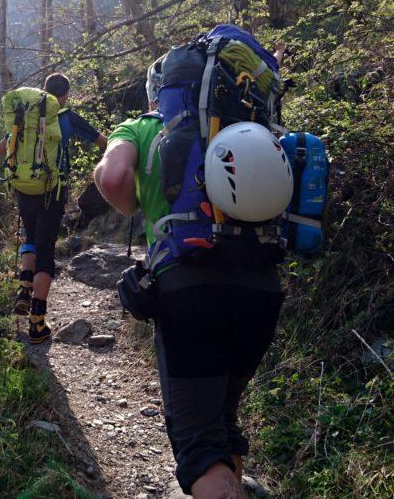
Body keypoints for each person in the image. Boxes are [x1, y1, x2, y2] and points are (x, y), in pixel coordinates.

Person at [92, 60, 283, 498]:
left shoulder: (140, 128)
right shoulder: (240, 122)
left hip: (189, 288)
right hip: (262, 287)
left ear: (154, 94)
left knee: (198, 443)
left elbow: (114, 176)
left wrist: (128, 202)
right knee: (221, 419)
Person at [0, 72, 106, 344]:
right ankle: (37, 321)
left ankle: (25, 287)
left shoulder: (27, 115)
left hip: (23, 187)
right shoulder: (67, 117)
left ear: (42, 91)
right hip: (53, 191)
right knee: (46, 247)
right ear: (66, 94)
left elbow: (2, 150)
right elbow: (102, 142)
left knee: (30, 237)